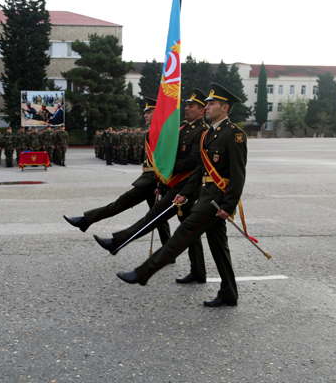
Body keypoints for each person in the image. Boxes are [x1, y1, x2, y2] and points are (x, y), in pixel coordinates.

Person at [116, 83, 247, 308]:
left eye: (211, 103)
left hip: (216, 202)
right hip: (206, 195)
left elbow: (238, 174)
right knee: (219, 247)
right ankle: (229, 292)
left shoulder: (234, 135)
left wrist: (229, 205)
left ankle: (144, 272)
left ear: (225, 107)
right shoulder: (210, 134)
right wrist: (185, 194)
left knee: (183, 233)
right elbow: (200, 171)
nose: (207, 106)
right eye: (206, 103)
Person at [92, 89, 210, 283]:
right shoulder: (183, 128)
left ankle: (118, 242)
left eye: (191, 106)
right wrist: (162, 183)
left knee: (154, 216)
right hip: (174, 184)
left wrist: (167, 170)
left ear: (201, 110)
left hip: (187, 187)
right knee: (189, 232)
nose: (186, 108)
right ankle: (198, 271)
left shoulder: (202, 131)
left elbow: (193, 162)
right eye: (186, 105)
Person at [64, 98, 170, 249]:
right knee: (158, 217)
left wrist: (161, 183)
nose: (145, 115)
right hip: (150, 180)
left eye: (149, 112)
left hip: (151, 181)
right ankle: (168, 251)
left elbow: (164, 160)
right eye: (144, 112)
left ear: (157, 112)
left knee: (120, 204)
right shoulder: (154, 131)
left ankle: (86, 220)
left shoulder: (161, 132)